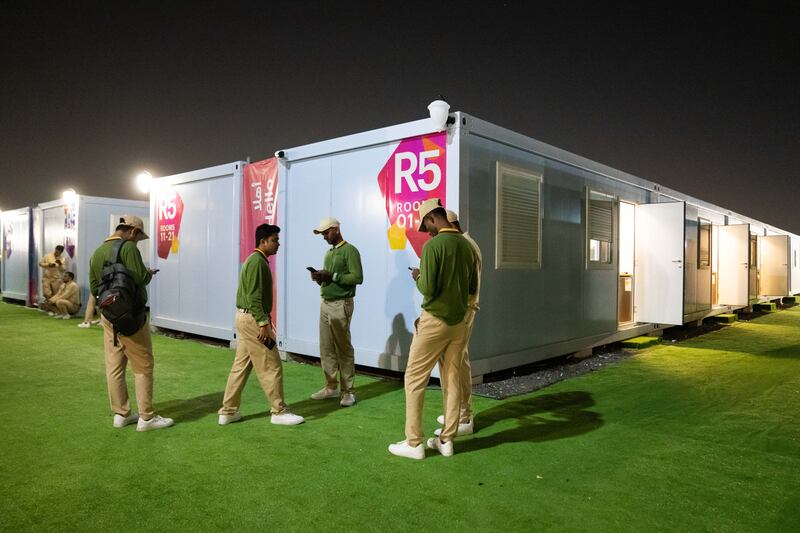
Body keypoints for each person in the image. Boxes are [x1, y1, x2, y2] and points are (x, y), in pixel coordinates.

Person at [388, 199, 477, 460]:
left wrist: (418, 276)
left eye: (425, 225)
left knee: (414, 378)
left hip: (434, 321)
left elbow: (429, 288)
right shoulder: (466, 245)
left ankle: (414, 442)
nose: (426, 231)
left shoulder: (432, 246)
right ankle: (446, 440)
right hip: (458, 323)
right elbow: (471, 288)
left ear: (432, 218)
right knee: (452, 378)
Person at [89, 215, 174, 432]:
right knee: (143, 365)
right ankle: (146, 418)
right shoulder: (128, 248)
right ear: (133, 231)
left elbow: (93, 289)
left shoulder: (97, 252)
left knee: (115, 366)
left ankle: (121, 414)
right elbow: (140, 278)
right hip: (132, 315)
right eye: (138, 237)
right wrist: (147, 273)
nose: (137, 242)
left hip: (109, 317)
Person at [218, 223, 304, 426]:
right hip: (254, 320)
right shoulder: (257, 262)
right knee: (271, 364)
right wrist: (263, 323)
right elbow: (255, 297)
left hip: (244, 318)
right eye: (274, 240)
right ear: (263, 241)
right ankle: (279, 412)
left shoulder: (254, 260)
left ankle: (228, 411)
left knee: (241, 366)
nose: (278, 244)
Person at [432, 209, 481, 437]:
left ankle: (462, 416)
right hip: (465, 308)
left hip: (462, 310)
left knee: (456, 364)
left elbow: (466, 285)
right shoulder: (467, 243)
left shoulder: (463, 244)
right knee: (459, 362)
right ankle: (458, 413)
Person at [308, 217, 363, 407]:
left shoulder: (350, 251)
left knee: (343, 348)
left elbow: (357, 277)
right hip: (326, 302)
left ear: (336, 229)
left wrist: (332, 276)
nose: (324, 236)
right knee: (326, 347)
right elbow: (331, 279)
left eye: (326, 232)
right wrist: (319, 278)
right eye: (322, 233)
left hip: (341, 304)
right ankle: (331, 387)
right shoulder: (329, 254)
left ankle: (348, 391)